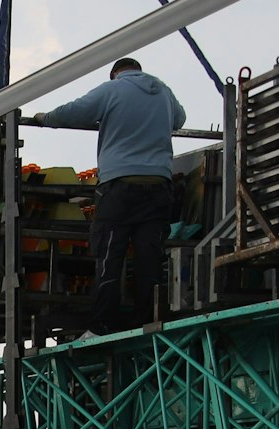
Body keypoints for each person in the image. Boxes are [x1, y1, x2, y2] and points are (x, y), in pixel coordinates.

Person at [32, 57, 186, 339]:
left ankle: (101, 324)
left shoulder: (112, 89)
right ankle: (148, 320)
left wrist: (45, 118)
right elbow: (180, 119)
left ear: (116, 73)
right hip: (158, 184)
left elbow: (76, 112)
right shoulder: (163, 91)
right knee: (149, 257)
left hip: (120, 185)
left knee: (110, 255)